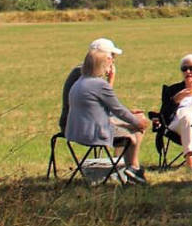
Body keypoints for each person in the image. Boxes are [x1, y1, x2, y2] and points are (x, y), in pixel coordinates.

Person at [64, 46, 151, 183]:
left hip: (75, 131)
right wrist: (137, 122)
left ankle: (132, 169)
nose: (110, 69)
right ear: (102, 66)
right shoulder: (99, 85)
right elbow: (118, 110)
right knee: (135, 131)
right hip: (93, 133)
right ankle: (133, 169)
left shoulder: (79, 82)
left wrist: (129, 115)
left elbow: (98, 108)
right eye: (110, 65)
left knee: (132, 124)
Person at [59, 37, 125, 134]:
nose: (113, 60)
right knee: (133, 129)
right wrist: (111, 79)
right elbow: (105, 106)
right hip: (81, 126)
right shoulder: (87, 74)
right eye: (112, 56)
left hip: (78, 123)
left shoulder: (85, 71)